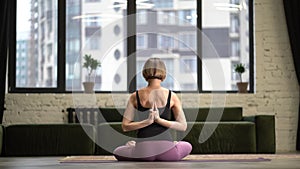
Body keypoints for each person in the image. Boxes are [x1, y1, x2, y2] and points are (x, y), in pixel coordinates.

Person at [113, 57, 192, 161]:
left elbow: (125, 126)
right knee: (187, 145)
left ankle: (133, 148)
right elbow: (183, 126)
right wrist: (159, 120)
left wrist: (147, 122)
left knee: (117, 151)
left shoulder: (135, 96)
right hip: (167, 151)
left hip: (143, 152)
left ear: (145, 72)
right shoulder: (171, 96)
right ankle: (174, 145)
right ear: (163, 73)